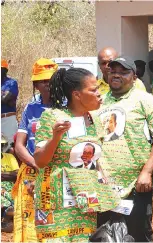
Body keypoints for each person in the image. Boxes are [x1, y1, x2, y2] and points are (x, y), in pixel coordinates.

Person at [96, 56, 153, 242]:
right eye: (113, 71)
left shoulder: (146, 101)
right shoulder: (98, 102)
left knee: (137, 234)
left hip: (135, 184)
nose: (116, 75)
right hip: (102, 184)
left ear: (134, 77)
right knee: (103, 236)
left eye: (123, 72)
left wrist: (147, 171)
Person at [33, 67, 106, 242]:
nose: (99, 93)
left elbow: (97, 161)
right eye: (93, 89)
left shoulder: (95, 120)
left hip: (85, 201)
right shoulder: (52, 117)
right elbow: (40, 161)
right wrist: (55, 137)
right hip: (55, 201)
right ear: (77, 95)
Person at [12, 58, 58, 242]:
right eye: (43, 81)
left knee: (55, 225)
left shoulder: (67, 106)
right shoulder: (30, 108)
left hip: (57, 173)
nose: (47, 85)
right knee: (32, 225)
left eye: (51, 80)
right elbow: (19, 146)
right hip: (33, 172)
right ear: (36, 84)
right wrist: (37, 166)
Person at [1, 134, 19, 233]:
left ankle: (6, 217)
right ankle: (6, 218)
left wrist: (2, 175)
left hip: (10, 187)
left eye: (1, 145)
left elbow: (17, 175)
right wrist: (8, 174)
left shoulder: (9, 157)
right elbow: (12, 174)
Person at [1, 59, 19, 145]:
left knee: (10, 147)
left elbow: (4, 99)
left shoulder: (11, 83)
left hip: (7, 119)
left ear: (4, 71)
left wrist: (4, 98)